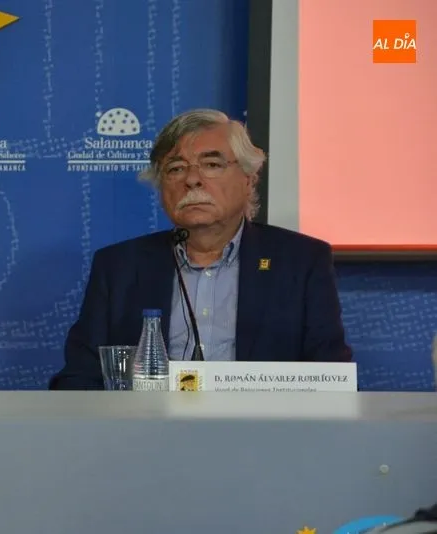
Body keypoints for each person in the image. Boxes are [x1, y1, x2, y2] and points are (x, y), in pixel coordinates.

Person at [49, 109, 352, 390]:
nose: (192, 180)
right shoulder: (118, 267)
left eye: (211, 164)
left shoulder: (300, 262)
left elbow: (332, 379)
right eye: (176, 168)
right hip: (147, 438)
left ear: (249, 179)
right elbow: (79, 379)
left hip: (264, 438)